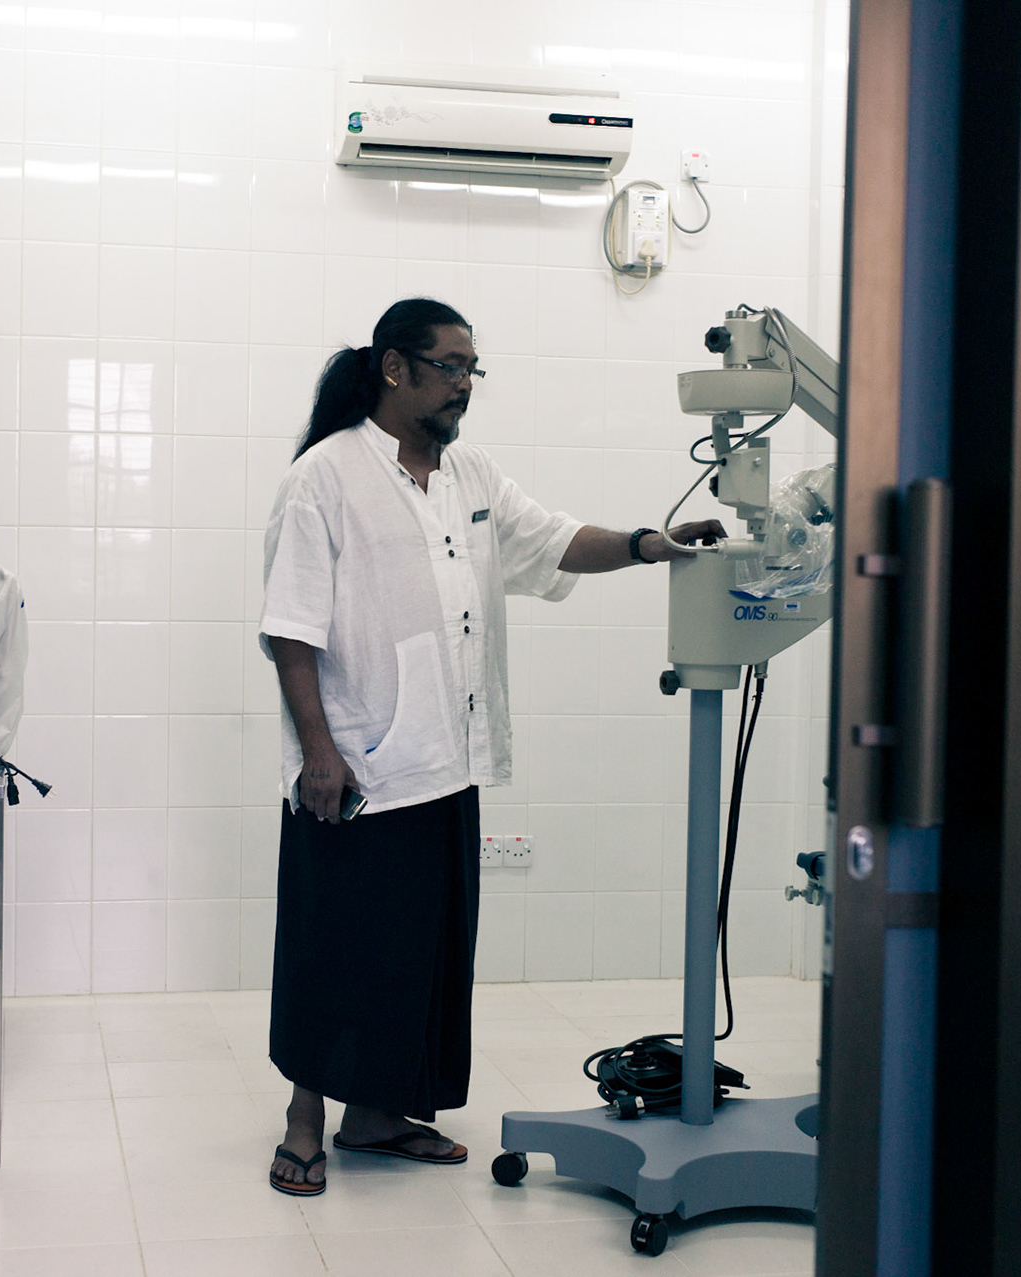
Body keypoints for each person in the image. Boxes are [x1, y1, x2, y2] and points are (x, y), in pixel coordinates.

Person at [257, 297, 723, 1196]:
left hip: (448, 757)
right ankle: (305, 1119)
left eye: (475, 368)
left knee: (422, 952)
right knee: (333, 948)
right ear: (395, 369)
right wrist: (319, 749)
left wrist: (646, 543)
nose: (467, 383)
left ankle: (379, 1112)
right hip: (357, 765)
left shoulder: (469, 475)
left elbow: (551, 541)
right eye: (452, 366)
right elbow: (291, 630)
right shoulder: (324, 477)